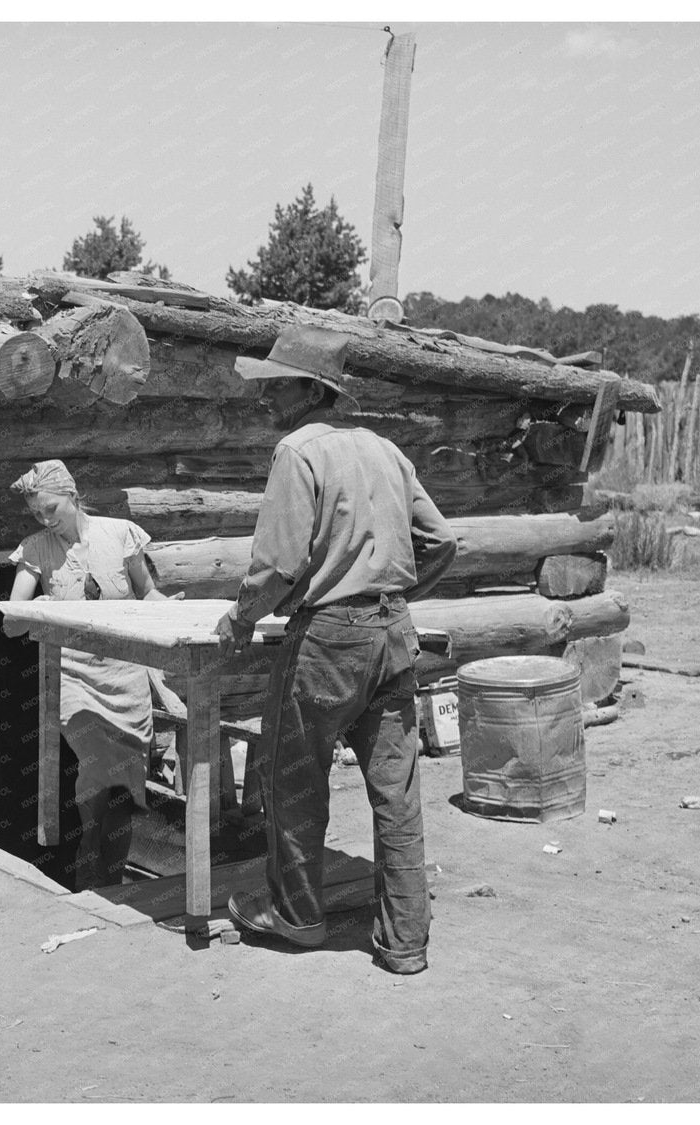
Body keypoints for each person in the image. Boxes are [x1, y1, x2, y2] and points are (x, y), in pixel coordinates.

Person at [215, 324, 457, 975]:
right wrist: (397, 593)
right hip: (393, 635)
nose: (266, 400)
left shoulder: (298, 453)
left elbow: (278, 564)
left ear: (307, 389)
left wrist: (239, 619)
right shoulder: (384, 449)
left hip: (328, 640)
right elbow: (441, 542)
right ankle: (406, 941)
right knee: (397, 790)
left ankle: (296, 915)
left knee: (291, 779)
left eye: (274, 387)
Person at [8, 459, 182, 890]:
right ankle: (89, 852)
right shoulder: (35, 549)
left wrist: (171, 608)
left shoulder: (120, 534)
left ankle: (109, 871)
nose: (45, 519)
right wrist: (38, 608)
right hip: (73, 676)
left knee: (125, 778)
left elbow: (148, 594)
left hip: (125, 676)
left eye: (51, 508)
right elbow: (12, 621)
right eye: (36, 513)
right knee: (95, 762)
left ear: (72, 495)